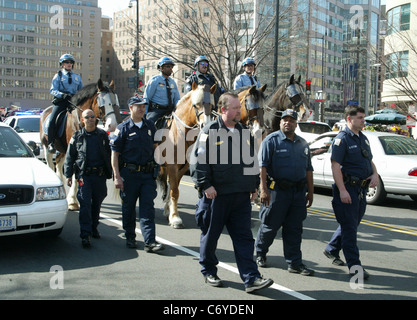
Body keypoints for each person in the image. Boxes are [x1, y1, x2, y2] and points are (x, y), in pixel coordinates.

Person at [190, 92, 273, 293]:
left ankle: (251, 278)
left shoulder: (244, 132)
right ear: (223, 109)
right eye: (236, 108)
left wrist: (253, 186)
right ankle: (209, 270)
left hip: (240, 196)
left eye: (239, 107)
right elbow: (198, 161)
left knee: (244, 238)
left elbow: (251, 161)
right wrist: (205, 185)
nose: (239, 111)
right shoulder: (209, 132)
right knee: (211, 237)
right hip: (216, 196)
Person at [255, 109, 315, 276]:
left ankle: (294, 262)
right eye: (284, 120)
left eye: (291, 120)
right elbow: (262, 167)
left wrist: (310, 192)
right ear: (280, 122)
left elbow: (309, 169)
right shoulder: (271, 141)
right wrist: (263, 190)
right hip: (277, 193)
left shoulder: (303, 144)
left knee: (294, 229)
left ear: (296, 123)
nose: (287, 123)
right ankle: (260, 253)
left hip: (297, 193)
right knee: (269, 227)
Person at [323, 106, 378, 280]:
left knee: (351, 225)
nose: (363, 120)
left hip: (361, 190)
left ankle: (332, 248)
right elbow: (335, 166)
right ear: (349, 119)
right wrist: (342, 191)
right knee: (350, 230)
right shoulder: (342, 139)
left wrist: (375, 174)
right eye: (360, 118)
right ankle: (355, 267)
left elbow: (369, 160)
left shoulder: (363, 138)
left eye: (363, 117)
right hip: (349, 189)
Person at [110, 96, 165, 252]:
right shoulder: (123, 128)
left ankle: (150, 241)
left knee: (148, 208)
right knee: (128, 208)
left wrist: (159, 163)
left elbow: (156, 147)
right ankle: (130, 237)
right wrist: (117, 176)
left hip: (147, 175)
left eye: (143, 106)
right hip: (129, 175)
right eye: (138, 106)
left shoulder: (150, 126)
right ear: (131, 108)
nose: (142, 109)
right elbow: (115, 154)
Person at [64, 109, 112, 248]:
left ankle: (93, 227)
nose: (90, 119)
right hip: (84, 176)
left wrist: (114, 173)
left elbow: (110, 154)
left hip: (100, 176)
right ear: (82, 120)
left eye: (92, 116)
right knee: (85, 204)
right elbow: (69, 156)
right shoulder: (77, 136)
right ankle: (85, 235)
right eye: (87, 117)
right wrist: (68, 174)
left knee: (97, 203)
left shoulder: (103, 135)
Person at [48, 53, 83, 153]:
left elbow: (81, 91)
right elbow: (53, 90)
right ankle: (51, 143)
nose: (69, 64)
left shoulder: (77, 77)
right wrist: (62, 95)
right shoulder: (58, 76)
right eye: (66, 62)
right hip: (61, 101)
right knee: (52, 120)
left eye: (71, 62)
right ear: (62, 64)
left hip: (73, 102)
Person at [144, 57, 180, 126]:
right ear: (161, 68)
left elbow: (176, 99)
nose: (170, 68)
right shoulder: (154, 81)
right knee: (149, 125)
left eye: (171, 66)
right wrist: (144, 114)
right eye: (168, 66)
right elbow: (147, 98)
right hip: (157, 111)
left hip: (171, 110)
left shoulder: (173, 82)